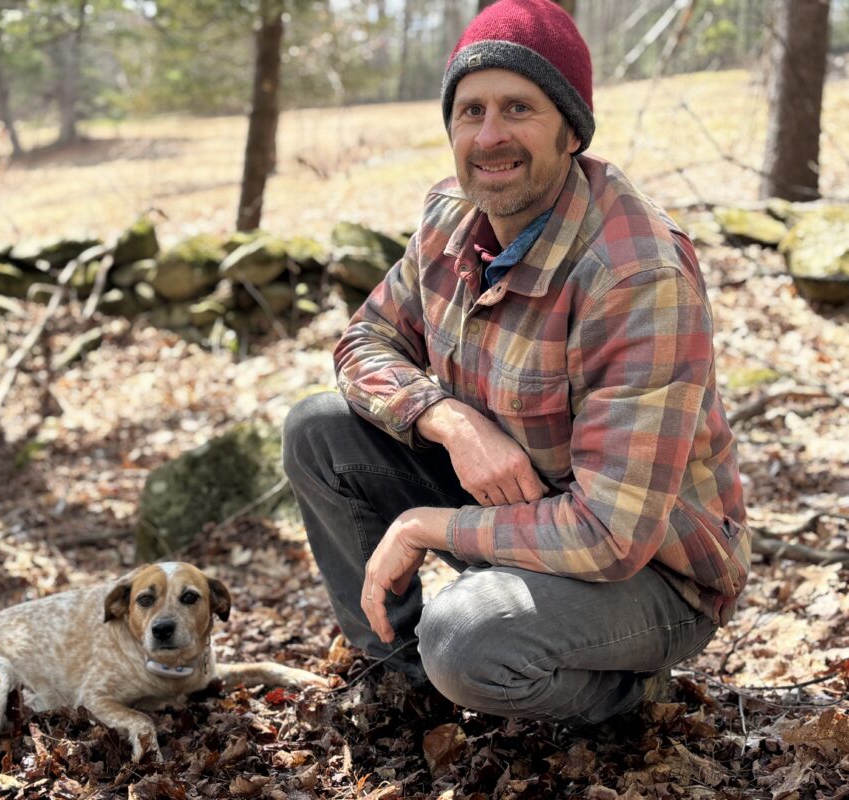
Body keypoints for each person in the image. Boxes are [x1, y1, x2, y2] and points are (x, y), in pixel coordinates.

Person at [282, 0, 750, 725]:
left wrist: (421, 526)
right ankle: (398, 682)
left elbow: (609, 534)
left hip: (651, 575)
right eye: (470, 112)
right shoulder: (449, 218)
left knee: (465, 638)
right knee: (317, 429)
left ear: (570, 130)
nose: (489, 136)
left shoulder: (633, 276)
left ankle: (629, 696)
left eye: (518, 109)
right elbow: (362, 342)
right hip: (521, 515)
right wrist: (447, 420)